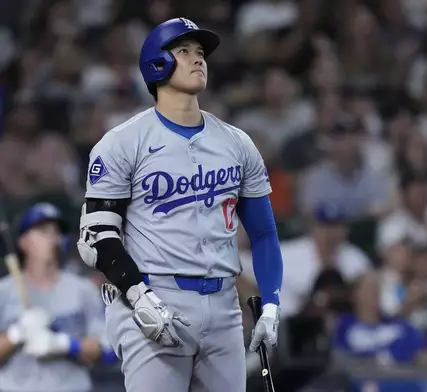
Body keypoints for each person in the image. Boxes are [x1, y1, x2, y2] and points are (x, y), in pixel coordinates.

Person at [76, 18, 284, 392]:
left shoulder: (237, 143)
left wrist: (270, 303)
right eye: (184, 51)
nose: (197, 59)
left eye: (201, 53)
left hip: (224, 304)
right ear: (157, 63)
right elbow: (96, 236)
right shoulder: (123, 142)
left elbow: (265, 232)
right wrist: (137, 293)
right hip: (154, 297)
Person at [0, 202, 116, 392]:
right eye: (42, 231)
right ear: (23, 242)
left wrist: (64, 344)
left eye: (56, 231)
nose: (52, 237)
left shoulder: (82, 290)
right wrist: (15, 334)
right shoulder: (3, 292)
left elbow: (108, 351)